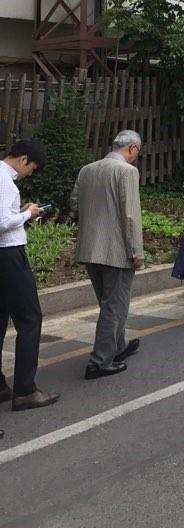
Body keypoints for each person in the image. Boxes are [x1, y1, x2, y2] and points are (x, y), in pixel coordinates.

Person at [73, 130, 144, 380]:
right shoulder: (127, 172)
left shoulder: (87, 170)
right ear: (132, 149)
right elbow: (131, 215)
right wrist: (136, 250)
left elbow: (74, 204)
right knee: (114, 305)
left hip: (89, 247)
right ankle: (100, 361)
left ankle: (119, 344)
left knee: (109, 302)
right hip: (116, 249)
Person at [0, 140, 59, 414]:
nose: (30, 173)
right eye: (31, 168)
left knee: (1, 318)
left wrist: (20, 213)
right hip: (9, 255)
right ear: (23, 159)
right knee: (30, 319)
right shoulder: (5, 180)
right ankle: (25, 390)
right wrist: (27, 214)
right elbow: (1, 222)